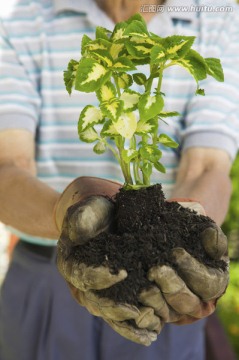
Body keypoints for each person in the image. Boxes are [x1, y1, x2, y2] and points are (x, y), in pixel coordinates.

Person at [0, 0, 239, 359]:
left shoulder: (215, 16)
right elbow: (8, 165)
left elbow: (207, 166)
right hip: (47, 274)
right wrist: (67, 214)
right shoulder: (22, 18)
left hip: (162, 286)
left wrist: (195, 229)